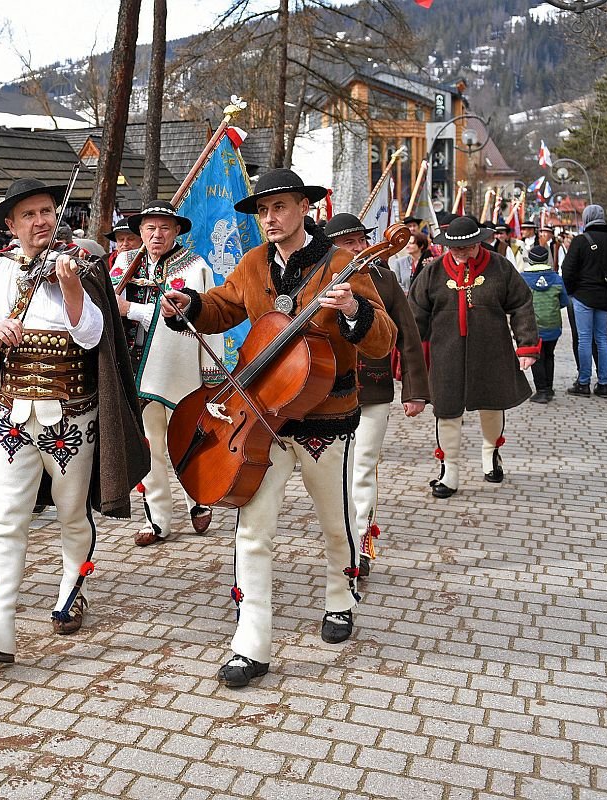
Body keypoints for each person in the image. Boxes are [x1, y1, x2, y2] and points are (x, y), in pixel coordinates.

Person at [160, 168, 396, 688]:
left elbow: (382, 338)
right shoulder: (253, 263)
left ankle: (340, 597)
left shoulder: (342, 263)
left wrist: (355, 309)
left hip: (324, 419)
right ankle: (251, 640)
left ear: (304, 209)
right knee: (253, 530)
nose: (270, 219)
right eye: (263, 211)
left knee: (335, 522)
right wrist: (190, 306)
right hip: (260, 420)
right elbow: (224, 305)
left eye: (280, 207)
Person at [0, 177, 148, 664]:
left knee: (72, 512)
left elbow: (95, 336)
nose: (41, 221)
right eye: (30, 214)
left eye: (48, 211)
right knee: (8, 517)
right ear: (10, 225)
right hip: (12, 417)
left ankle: (70, 592)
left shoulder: (84, 267)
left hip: (73, 418)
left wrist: (72, 286)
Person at [323, 213, 429, 579]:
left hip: (374, 387)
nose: (358, 248)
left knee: (363, 466)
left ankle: (361, 540)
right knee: (333, 472)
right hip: (325, 390)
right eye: (348, 242)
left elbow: (408, 334)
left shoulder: (382, 277)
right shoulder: (317, 275)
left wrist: (414, 391)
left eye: (361, 240)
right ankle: (339, 535)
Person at [111, 200, 222, 546]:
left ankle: (198, 497)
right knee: (150, 446)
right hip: (134, 367)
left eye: (164, 228)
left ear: (176, 231)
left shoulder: (195, 267)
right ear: (139, 231)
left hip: (178, 367)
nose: (156, 234)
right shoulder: (125, 263)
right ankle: (157, 519)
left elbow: (209, 321)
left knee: (185, 439)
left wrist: (210, 372)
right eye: (149, 228)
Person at [408, 216, 539, 499]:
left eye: (467, 247)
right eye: (455, 248)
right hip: (446, 354)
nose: (461, 253)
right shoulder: (432, 272)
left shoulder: (500, 267)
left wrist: (527, 345)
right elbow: (415, 312)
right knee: (446, 411)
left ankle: (491, 454)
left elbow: (521, 303)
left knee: (492, 404)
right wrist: (408, 352)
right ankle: (449, 470)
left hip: (491, 350)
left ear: (478, 242)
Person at [562, 204, 607, 398]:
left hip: (583, 296)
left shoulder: (580, 241)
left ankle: (583, 383)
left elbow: (567, 270)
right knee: (602, 339)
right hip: (605, 298)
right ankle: (603, 384)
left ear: (586, 218)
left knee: (584, 339)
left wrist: (572, 290)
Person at [522, 245, 568, 403]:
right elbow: (564, 301)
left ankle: (541, 391)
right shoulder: (557, 278)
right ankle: (548, 388)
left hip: (533, 326)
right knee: (549, 355)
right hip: (553, 325)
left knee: (536, 357)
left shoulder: (523, 278)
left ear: (531, 259)